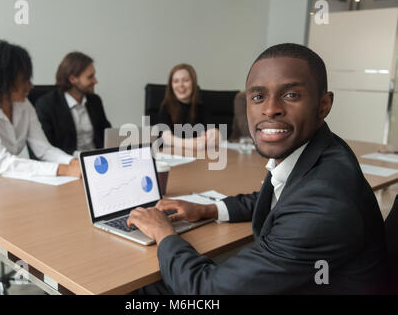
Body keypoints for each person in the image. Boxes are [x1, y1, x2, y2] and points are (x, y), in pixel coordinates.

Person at [127, 43, 389, 294]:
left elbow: (208, 291)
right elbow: (278, 199)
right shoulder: (320, 152)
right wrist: (207, 209)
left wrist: (164, 233)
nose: (270, 109)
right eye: (258, 96)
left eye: (291, 95)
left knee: (139, 287)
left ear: (323, 105)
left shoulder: (322, 206)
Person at [0, 40, 80, 178]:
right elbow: (3, 163)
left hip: (7, 183)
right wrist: (62, 169)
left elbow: (44, 149)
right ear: (4, 82)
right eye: (25, 80)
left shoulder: (24, 105)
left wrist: (73, 162)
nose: (31, 85)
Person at [35, 52, 111, 157]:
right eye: (90, 77)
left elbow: (106, 136)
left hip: (98, 162)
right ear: (72, 79)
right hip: (68, 164)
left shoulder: (95, 101)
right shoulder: (47, 105)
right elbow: (47, 149)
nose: (95, 81)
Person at [157, 63, 218, 149]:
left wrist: (215, 135)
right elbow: (166, 138)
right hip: (172, 156)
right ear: (171, 86)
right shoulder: (166, 107)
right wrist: (188, 144)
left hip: (198, 157)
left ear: (193, 83)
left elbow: (212, 130)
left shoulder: (202, 106)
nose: (180, 85)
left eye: (185, 80)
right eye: (176, 81)